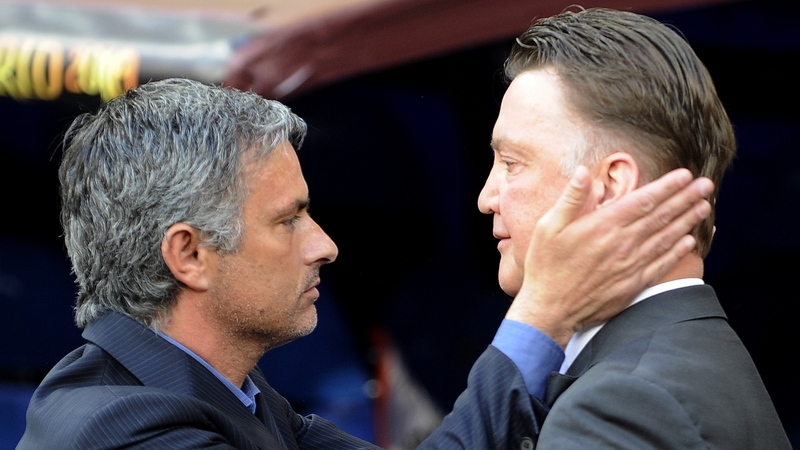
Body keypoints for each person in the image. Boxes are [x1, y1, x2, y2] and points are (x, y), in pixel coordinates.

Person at [17, 77, 712, 449]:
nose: (324, 245)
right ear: (189, 255)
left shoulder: (229, 397)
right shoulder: (124, 430)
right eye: (288, 220)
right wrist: (543, 314)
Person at [464, 7, 790, 449]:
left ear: (611, 185)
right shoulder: (689, 358)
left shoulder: (619, 404)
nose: (487, 198)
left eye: (512, 163)